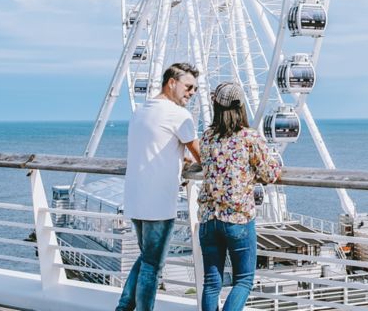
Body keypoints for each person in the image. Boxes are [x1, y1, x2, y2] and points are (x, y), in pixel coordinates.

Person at [117, 62, 202, 311]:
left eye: (195, 89)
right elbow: (202, 157)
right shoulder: (179, 115)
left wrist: (179, 157)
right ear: (172, 82)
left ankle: (123, 307)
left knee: (147, 258)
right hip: (158, 202)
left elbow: (155, 145)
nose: (192, 93)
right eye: (188, 87)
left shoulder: (141, 111)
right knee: (153, 267)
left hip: (135, 198)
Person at [198, 82, 282, 311]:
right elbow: (270, 173)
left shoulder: (206, 138)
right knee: (243, 281)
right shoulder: (248, 138)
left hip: (208, 219)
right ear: (241, 107)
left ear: (216, 106)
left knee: (211, 283)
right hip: (238, 219)